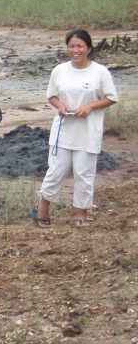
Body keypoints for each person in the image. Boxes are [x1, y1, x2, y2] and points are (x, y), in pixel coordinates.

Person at [34, 30, 118, 228]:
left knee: (84, 173)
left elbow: (111, 97)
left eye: (80, 46)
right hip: (63, 130)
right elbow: (52, 96)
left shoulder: (100, 72)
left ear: (89, 48)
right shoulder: (59, 70)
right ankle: (43, 211)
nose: (75, 50)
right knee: (56, 171)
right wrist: (60, 106)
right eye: (71, 46)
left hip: (88, 132)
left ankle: (82, 215)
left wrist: (89, 106)